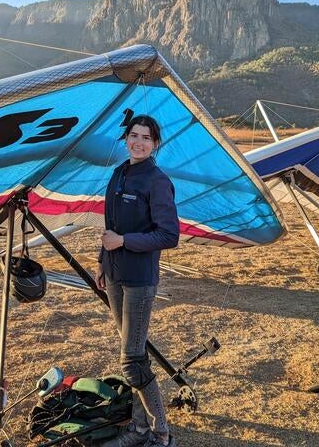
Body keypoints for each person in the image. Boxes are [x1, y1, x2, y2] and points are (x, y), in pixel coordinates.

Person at [96, 115, 179, 447]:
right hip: (115, 275)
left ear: (155, 143)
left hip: (140, 280)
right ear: (126, 139)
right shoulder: (118, 174)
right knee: (136, 355)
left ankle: (160, 434)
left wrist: (125, 242)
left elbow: (168, 234)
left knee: (131, 360)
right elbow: (108, 227)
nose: (139, 142)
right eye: (134, 135)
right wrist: (102, 262)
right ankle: (139, 429)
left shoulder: (157, 181)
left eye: (146, 137)